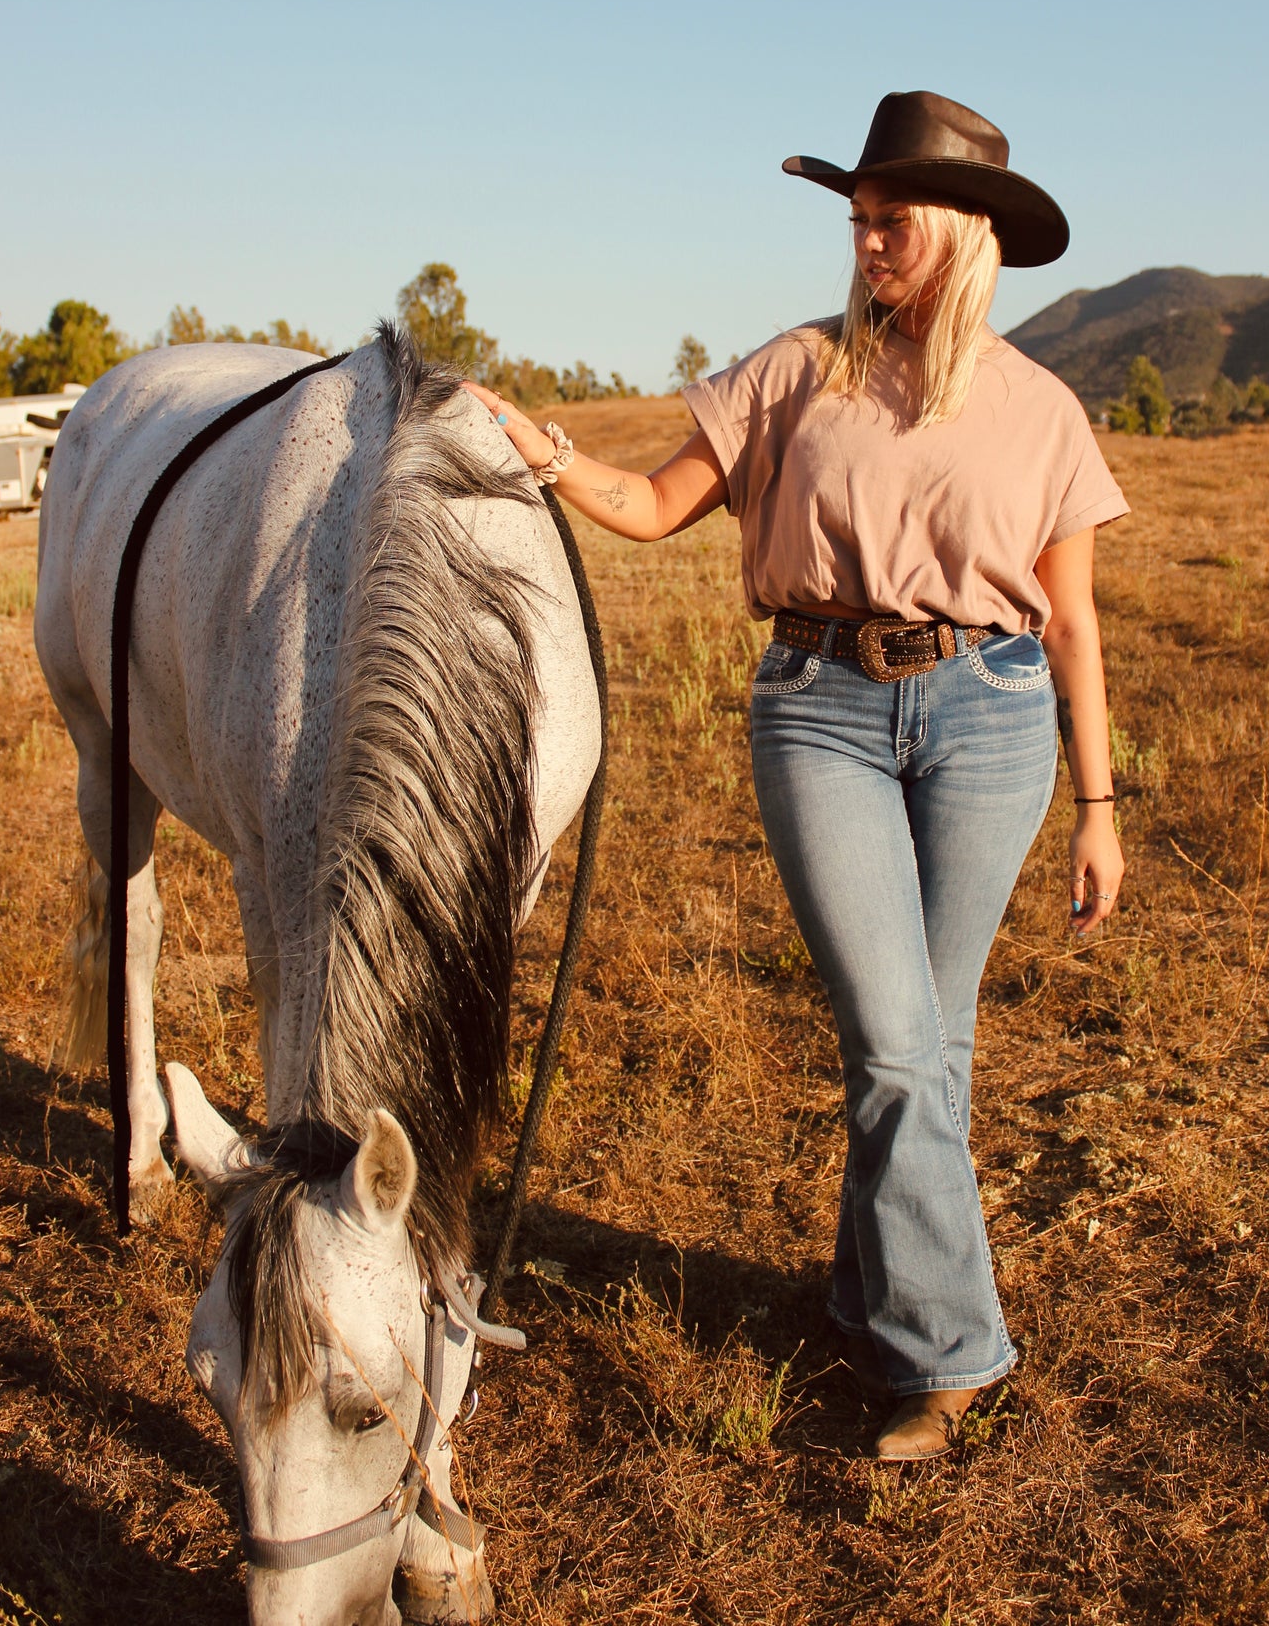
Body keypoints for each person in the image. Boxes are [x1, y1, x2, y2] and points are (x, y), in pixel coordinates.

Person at [464, 90, 1129, 1460]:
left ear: (960, 234)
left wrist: (1099, 805)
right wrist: (541, 451)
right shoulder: (792, 371)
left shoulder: (1043, 409)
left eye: (893, 221)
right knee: (896, 1044)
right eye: (859, 220)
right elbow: (652, 508)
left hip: (992, 715)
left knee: (925, 1048)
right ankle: (952, 1355)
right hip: (817, 705)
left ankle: (864, 1294)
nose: (868, 243)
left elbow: (1071, 621)